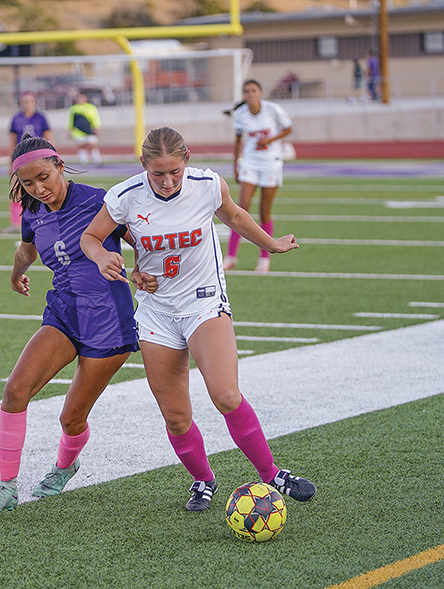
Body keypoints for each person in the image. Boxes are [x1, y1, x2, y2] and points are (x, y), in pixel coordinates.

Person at [81, 127, 316, 511]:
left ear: (186, 158)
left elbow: (236, 216)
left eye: (175, 170)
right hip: (157, 311)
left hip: (204, 303)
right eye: (158, 173)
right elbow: (92, 237)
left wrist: (270, 245)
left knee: (225, 394)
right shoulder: (124, 196)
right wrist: (103, 257)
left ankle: (271, 473)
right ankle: (203, 480)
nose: (168, 180)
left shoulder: (207, 184)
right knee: (176, 417)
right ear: (143, 166)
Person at [0, 133, 156, 513]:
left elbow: (140, 239)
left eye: (44, 176)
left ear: (60, 165)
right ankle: (6, 486)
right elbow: (27, 248)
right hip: (62, 312)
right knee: (15, 391)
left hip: (109, 320)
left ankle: (65, 465)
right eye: (28, 183)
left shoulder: (98, 200)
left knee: (71, 418)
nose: (38, 188)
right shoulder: (32, 210)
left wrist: (141, 268)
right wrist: (15, 274)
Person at [225, 79, 293, 274]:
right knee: (240, 208)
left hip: (271, 163)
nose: (250, 94)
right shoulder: (240, 114)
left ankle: (264, 258)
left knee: (264, 212)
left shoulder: (273, 110)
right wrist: (236, 165)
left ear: (261, 92)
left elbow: (288, 128)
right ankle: (231, 256)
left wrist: (270, 139)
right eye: (246, 91)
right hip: (250, 163)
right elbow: (237, 141)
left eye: (254, 90)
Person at [3, 92, 53, 234]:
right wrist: (10, 163)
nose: (27, 104)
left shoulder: (41, 118)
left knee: (45, 190)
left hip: (39, 159)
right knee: (17, 192)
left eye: (30, 101)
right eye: (24, 101)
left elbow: (48, 138)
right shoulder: (16, 118)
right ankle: (15, 223)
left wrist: (53, 157)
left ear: (35, 102)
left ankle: (48, 221)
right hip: (21, 160)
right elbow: (12, 141)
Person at [67, 93, 102, 166]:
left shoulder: (91, 107)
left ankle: (97, 160)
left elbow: (95, 118)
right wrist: (69, 130)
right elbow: (70, 120)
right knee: (81, 146)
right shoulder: (74, 109)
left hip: (89, 130)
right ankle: (83, 161)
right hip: (78, 131)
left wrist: (97, 127)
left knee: (93, 144)